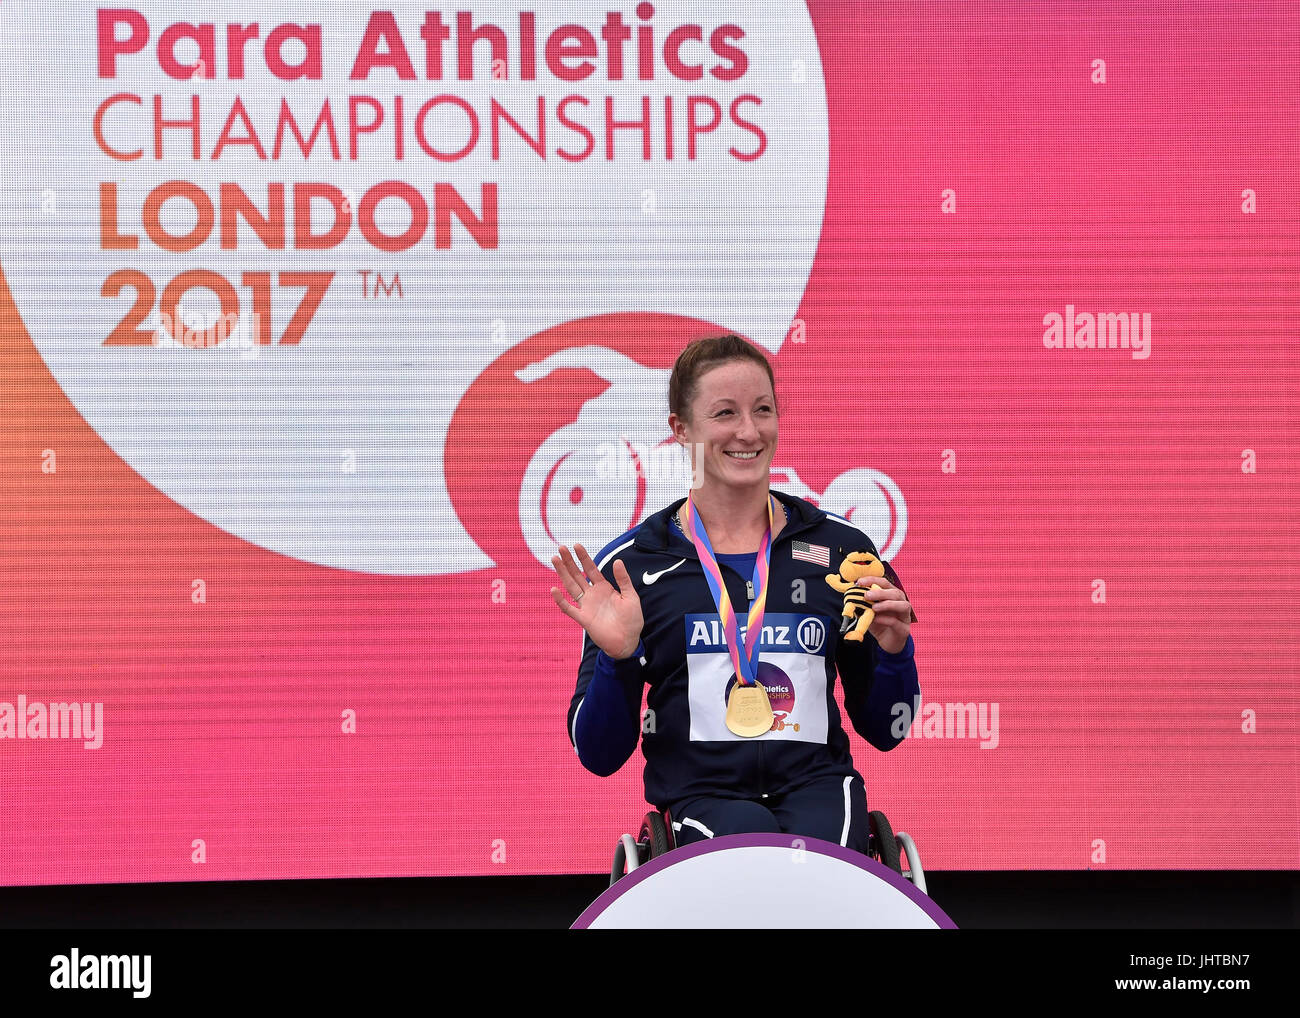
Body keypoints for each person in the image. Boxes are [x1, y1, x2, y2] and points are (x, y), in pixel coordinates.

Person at [553, 334, 919, 854]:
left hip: (819, 789)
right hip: (702, 797)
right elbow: (598, 754)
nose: (748, 431)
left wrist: (893, 651)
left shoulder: (843, 551)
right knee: (749, 856)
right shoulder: (634, 566)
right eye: (725, 413)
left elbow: (887, 729)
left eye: (762, 410)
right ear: (680, 430)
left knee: (821, 861)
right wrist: (618, 660)